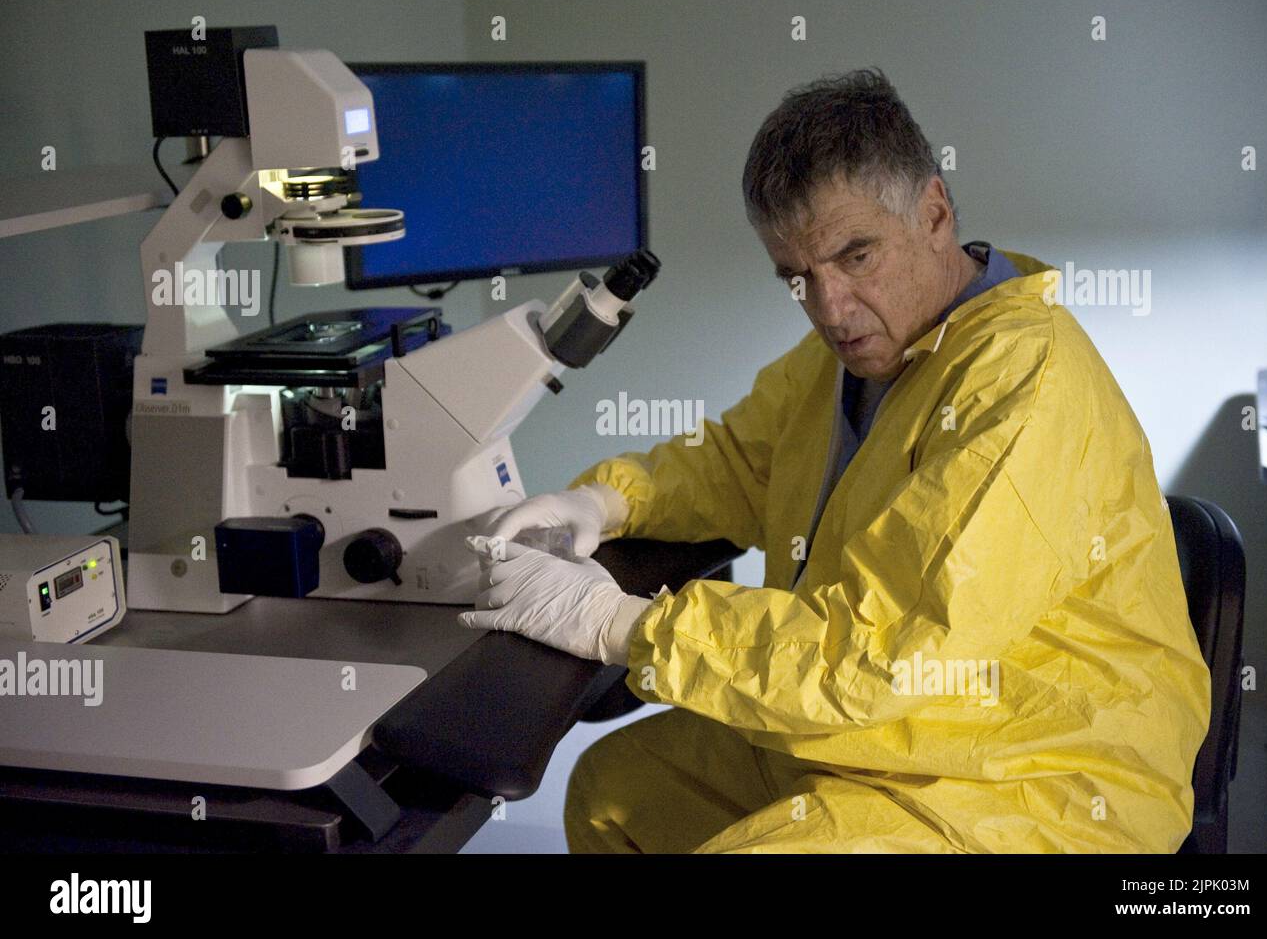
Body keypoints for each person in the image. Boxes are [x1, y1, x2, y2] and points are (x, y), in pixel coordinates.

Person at [459, 69, 1210, 853]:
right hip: (872, 735)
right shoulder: (864, 355)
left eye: (857, 256)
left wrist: (617, 623)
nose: (831, 310)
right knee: (614, 792)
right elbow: (741, 464)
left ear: (934, 213)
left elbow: (881, 654)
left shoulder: (1024, 380)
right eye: (798, 278)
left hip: (1025, 777)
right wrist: (604, 504)